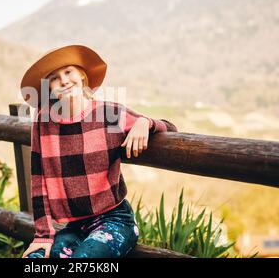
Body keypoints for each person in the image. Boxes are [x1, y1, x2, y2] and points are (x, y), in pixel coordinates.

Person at [19, 45, 178, 258]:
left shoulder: (109, 114)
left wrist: (145, 122)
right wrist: (43, 236)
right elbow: (39, 182)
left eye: (68, 71)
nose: (64, 81)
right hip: (74, 227)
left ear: (82, 75)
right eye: (55, 78)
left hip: (115, 220)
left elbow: (170, 128)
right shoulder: (44, 121)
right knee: (36, 259)